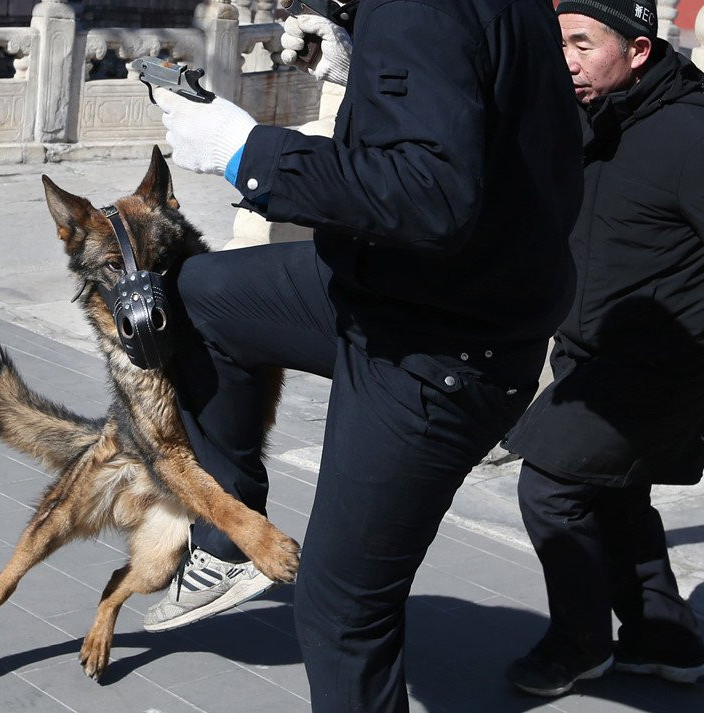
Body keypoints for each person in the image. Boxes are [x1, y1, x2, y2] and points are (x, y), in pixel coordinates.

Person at [141, 1, 583, 710]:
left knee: (341, 609)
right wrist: (367, 71)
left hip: (441, 344)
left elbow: (430, 195)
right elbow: (486, 111)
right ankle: (230, 537)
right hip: (394, 288)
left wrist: (242, 150)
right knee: (200, 296)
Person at [501, 0, 704, 698]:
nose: (565, 60)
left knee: (551, 485)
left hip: (663, 367)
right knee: (615, 499)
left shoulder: (701, 139)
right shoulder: (592, 112)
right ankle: (664, 638)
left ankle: (579, 643)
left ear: (637, 51)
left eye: (582, 44)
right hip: (590, 351)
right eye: (558, 42)